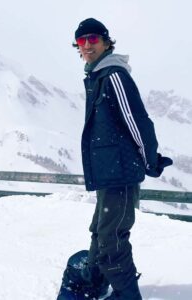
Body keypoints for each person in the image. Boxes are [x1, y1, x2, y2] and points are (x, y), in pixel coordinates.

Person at [57, 18, 173, 300]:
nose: (87, 45)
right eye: (81, 41)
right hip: (110, 173)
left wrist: (150, 160)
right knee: (100, 229)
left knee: (112, 239)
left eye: (93, 39)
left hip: (120, 173)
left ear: (107, 41)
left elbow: (137, 122)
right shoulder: (97, 76)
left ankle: (127, 295)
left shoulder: (113, 76)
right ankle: (94, 279)